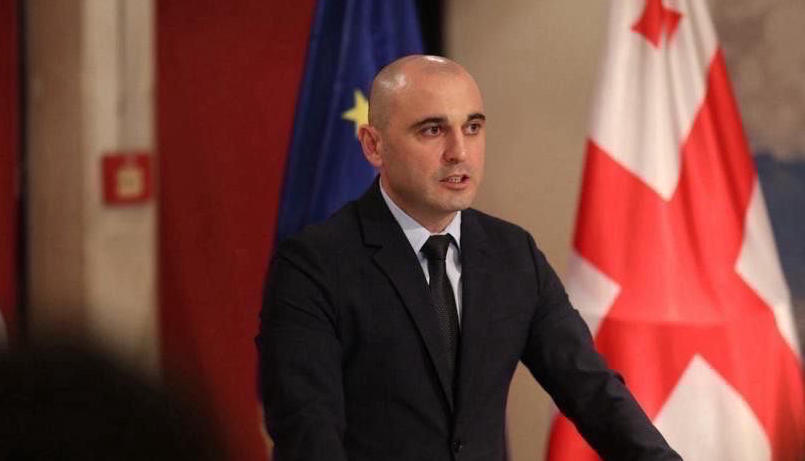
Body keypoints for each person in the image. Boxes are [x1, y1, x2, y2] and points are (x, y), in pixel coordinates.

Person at [257, 55, 681, 461]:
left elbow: (593, 391)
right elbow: (308, 434)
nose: (459, 151)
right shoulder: (312, 266)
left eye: (472, 127)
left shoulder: (513, 254)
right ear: (374, 146)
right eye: (432, 130)